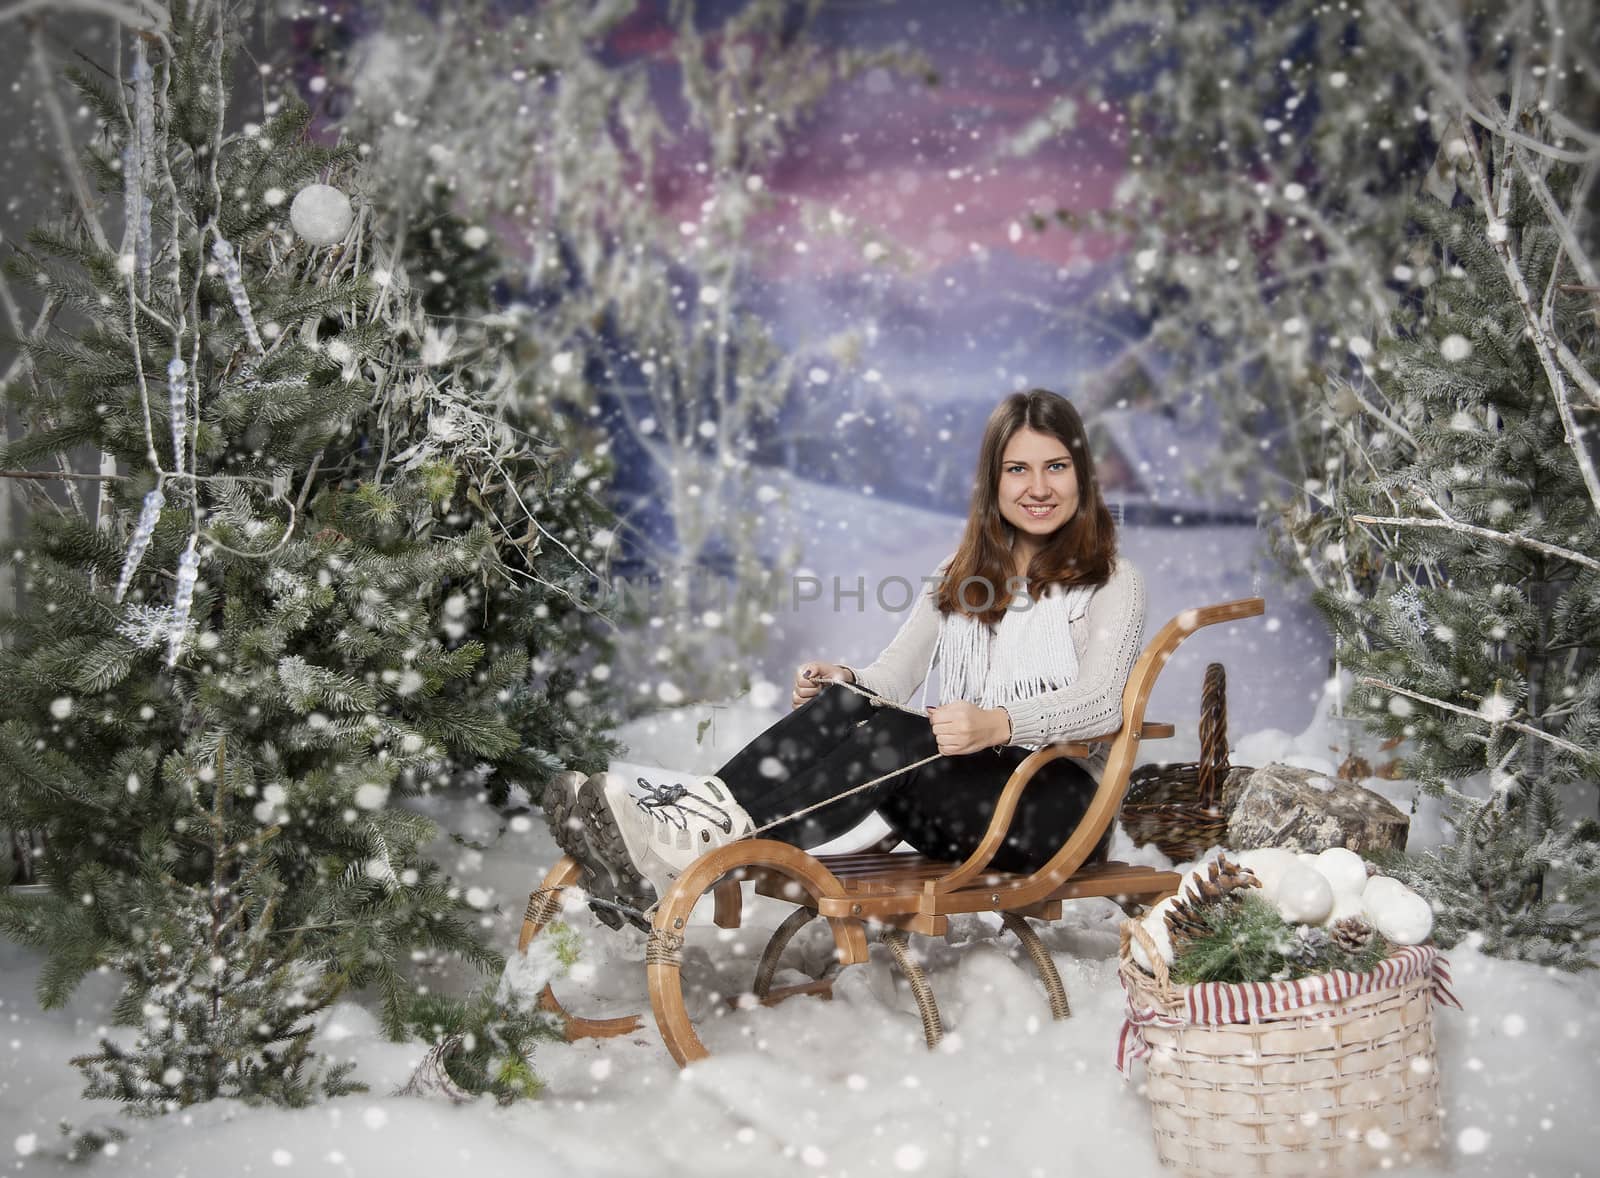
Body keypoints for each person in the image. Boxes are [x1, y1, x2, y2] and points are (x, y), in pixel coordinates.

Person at [543, 388, 1147, 921]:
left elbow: (1101, 705)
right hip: (959, 807)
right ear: (993, 482)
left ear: (1082, 476)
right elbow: (894, 677)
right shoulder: (960, 574)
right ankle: (691, 827)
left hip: (1057, 817)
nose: (1038, 488)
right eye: (1018, 469)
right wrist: (848, 681)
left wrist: (1001, 723)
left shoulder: (1112, 579)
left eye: (1056, 467)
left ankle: (693, 842)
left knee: (906, 735)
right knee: (852, 705)